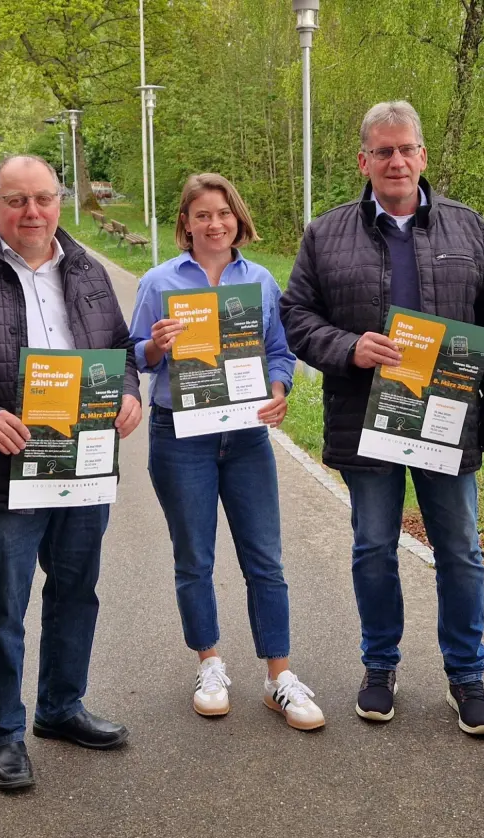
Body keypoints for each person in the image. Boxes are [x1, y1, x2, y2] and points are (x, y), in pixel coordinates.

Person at [280, 100, 484, 736]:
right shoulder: (325, 234)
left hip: (448, 419)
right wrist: (349, 348)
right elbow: (296, 319)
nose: (396, 160)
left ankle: (466, 676)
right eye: (382, 151)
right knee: (373, 550)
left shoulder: (470, 230)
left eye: (406, 148)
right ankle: (379, 668)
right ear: (364, 160)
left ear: (422, 155)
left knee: (461, 553)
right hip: (367, 419)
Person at [0, 155, 143, 792]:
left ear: (59, 201)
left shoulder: (88, 270)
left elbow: (118, 353)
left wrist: (128, 394)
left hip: (81, 464)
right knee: (3, 606)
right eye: (17, 200)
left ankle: (61, 708)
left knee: (75, 591)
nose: (32, 212)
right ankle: (5, 733)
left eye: (43, 198)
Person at [129, 173, 324, 731]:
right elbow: (132, 355)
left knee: (266, 558)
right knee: (195, 558)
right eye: (203, 215)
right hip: (179, 435)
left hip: (245, 436)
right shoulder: (159, 280)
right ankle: (209, 665)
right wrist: (153, 345)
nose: (215, 224)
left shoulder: (260, 280)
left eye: (224, 214)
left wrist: (281, 390)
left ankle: (278, 677)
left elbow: (279, 351)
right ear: (185, 224)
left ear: (237, 218)